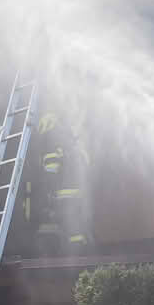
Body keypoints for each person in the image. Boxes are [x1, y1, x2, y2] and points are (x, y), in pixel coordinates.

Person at [32, 109, 93, 255]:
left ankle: (74, 258)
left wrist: (47, 191)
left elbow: (51, 171)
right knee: (76, 229)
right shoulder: (72, 145)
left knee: (69, 228)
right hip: (79, 196)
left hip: (64, 196)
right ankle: (82, 254)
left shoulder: (53, 144)